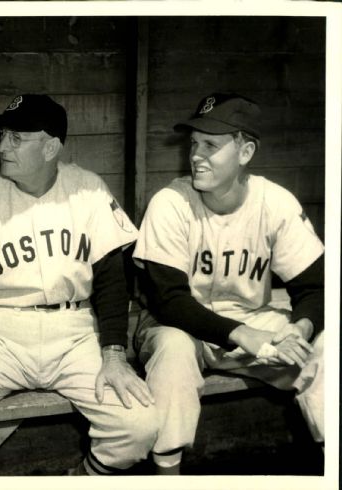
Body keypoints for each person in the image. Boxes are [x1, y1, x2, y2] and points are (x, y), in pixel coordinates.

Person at [0, 94, 159, 476]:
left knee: (140, 421)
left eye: (16, 138)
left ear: (50, 147)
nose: (1, 147)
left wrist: (113, 353)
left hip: (75, 333)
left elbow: (114, 279)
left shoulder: (89, 190)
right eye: (2, 136)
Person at [132, 92, 325, 473]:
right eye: (194, 144)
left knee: (327, 346)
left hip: (253, 323)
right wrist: (243, 334)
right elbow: (168, 301)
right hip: (180, 326)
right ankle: (167, 474)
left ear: (245, 152)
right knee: (172, 350)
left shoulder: (275, 202)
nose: (196, 155)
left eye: (211, 145)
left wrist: (299, 331)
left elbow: (317, 287)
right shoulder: (170, 202)